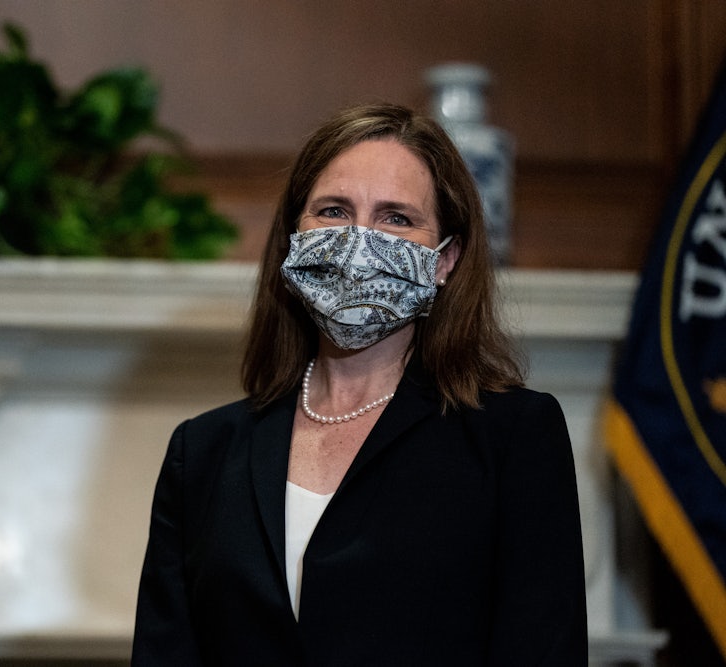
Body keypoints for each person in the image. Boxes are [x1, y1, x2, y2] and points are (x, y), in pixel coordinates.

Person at [131, 103, 587, 665]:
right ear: (294, 236)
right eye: (333, 211)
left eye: (396, 218)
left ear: (445, 259)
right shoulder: (202, 451)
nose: (359, 242)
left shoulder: (513, 436)